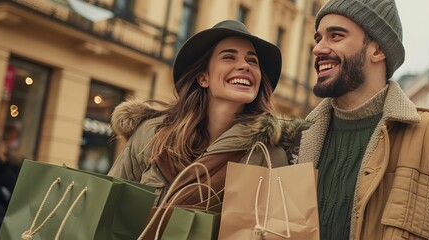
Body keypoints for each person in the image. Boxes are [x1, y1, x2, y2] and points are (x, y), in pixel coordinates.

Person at [294, 0, 429, 239]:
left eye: (335, 36)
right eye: (318, 38)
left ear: (378, 50)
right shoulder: (296, 138)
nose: (318, 49)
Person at [108, 20, 304, 205]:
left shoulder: (269, 156)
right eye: (229, 57)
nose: (245, 65)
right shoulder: (151, 134)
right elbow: (107, 206)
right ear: (203, 78)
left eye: (252, 61)